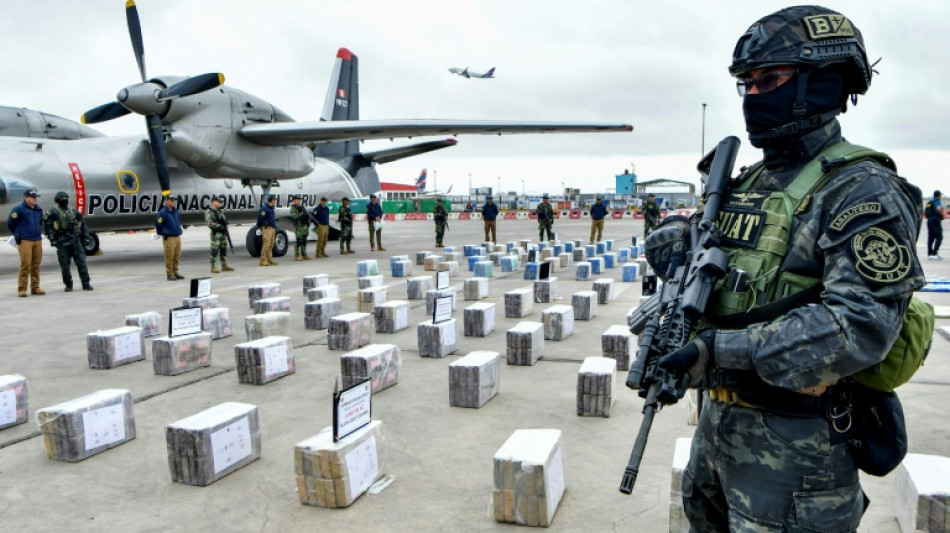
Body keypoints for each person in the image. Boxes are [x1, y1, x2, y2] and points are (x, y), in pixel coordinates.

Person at [652, 7, 924, 531]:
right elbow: (726, 282)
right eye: (746, 85)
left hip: (799, 455)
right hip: (717, 434)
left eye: (768, 80)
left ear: (820, 84)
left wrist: (717, 351)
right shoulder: (748, 183)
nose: (754, 97)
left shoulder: (862, 189)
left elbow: (859, 328)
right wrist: (675, 252)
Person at [44, 191, 93, 291]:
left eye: (65, 198)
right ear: (57, 200)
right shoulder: (53, 212)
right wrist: (52, 239)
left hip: (75, 240)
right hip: (62, 241)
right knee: (65, 265)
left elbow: (83, 224)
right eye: (61, 199)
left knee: (82, 262)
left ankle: (86, 283)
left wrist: (86, 237)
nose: (64, 200)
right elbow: (48, 227)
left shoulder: (74, 211)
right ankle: (68, 284)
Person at [7, 189, 45, 296]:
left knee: (36, 264)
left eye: (36, 197)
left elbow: (40, 222)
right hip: (25, 240)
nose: (35, 199)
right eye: (32, 197)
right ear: (26, 197)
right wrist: (17, 233)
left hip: (37, 239)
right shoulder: (18, 209)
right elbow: (10, 223)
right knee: (26, 265)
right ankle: (22, 289)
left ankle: (35, 287)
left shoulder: (38, 209)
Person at [155, 194, 184, 281]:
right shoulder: (162, 212)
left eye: (174, 200)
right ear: (166, 201)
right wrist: (164, 233)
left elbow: (178, 221)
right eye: (171, 200)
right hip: (169, 237)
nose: (173, 202)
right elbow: (158, 224)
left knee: (177, 256)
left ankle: (175, 272)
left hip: (177, 236)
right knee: (169, 256)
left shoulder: (175, 211)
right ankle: (169, 274)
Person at [205, 196, 234, 273]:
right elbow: (209, 223)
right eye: (218, 202)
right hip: (216, 234)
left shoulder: (220, 211)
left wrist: (225, 223)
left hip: (222, 233)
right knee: (214, 251)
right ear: (213, 202)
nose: (219, 203)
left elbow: (223, 220)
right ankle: (213, 266)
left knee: (223, 250)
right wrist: (219, 226)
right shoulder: (209, 211)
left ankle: (224, 265)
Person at [257, 195, 278, 266]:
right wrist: (260, 226)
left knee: (271, 244)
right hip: (267, 228)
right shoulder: (264, 208)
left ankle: (270, 259)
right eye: (274, 199)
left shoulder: (271, 208)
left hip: (272, 228)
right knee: (266, 244)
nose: (275, 200)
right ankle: (262, 260)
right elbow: (260, 218)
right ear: (271, 200)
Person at [289, 195, 311, 261]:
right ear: (294, 201)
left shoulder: (302, 207)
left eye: (299, 200)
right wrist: (301, 214)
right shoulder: (293, 208)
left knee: (304, 241)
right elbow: (294, 217)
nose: (298, 201)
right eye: (297, 200)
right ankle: (297, 255)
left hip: (304, 226)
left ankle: (304, 254)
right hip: (299, 227)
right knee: (299, 241)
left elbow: (307, 215)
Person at [925, 190, 943, 260]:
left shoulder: (930, 202)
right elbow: (938, 208)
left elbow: (925, 212)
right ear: (938, 195)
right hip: (935, 221)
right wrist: (942, 215)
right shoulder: (936, 201)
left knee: (930, 238)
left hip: (929, 221)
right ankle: (935, 253)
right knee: (939, 237)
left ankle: (930, 254)